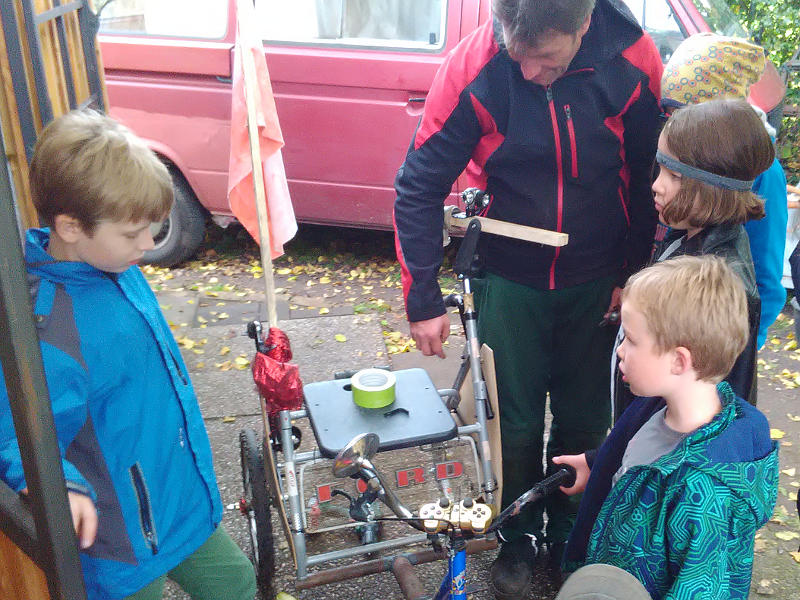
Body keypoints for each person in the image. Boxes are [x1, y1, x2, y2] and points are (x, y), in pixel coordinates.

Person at [393, 0, 663, 594]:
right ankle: (515, 536)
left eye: (544, 58)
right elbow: (418, 186)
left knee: (586, 418)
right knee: (510, 421)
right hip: (510, 276)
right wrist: (423, 298)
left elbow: (648, 170)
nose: (529, 72)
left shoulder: (632, 58)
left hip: (599, 275)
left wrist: (633, 270)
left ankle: (573, 532)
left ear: (583, 26)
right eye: (519, 56)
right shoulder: (474, 68)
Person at [0, 110, 257, 600]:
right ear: (71, 226)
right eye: (132, 233)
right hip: (121, 533)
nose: (147, 246)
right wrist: (63, 487)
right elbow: (14, 430)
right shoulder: (48, 327)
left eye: (153, 228)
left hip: (176, 495)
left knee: (236, 582)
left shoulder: (115, 266)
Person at [555, 255, 778, 599]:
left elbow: (705, 589)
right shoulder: (654, 405)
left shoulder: (707, 495)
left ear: (678, 360)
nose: (620, 351)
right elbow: (632, 456)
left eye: (630, 339)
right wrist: (595, 464)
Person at [612, 98, 774, 421]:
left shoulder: (724, 284)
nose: (656, 185)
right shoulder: (683, 234)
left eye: (674, 175)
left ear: (713, 187)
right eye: (659, 169)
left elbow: (711, 413)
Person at [660, 33, 789, 350]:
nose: (675, 124)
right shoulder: (677, 157)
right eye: (670, 114)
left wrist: (743, 351)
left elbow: (767, 278)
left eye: (686, 113)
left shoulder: (764, 173)